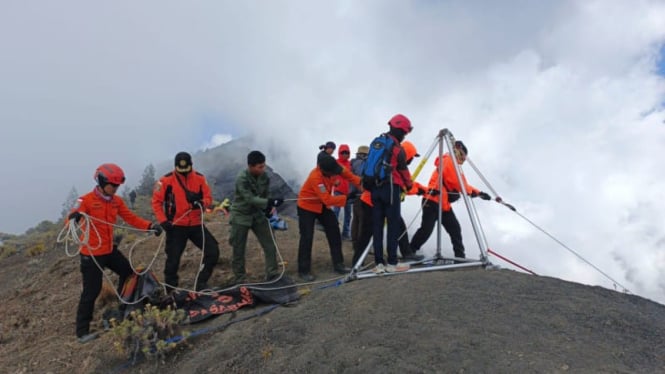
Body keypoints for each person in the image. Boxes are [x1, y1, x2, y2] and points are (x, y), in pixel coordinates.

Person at [67, 163, 162, 343]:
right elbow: (70, 220)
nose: (116, 188)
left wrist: (149, 226)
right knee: (91, 290)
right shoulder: (85, 200)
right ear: (102, 182)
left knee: (128, 273)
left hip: (110, 250)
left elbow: (130, 218)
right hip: (91, 254)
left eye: (118, 186)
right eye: (113, 185)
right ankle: (82, 332)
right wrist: (75, 218)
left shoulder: (117, 201)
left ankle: (123, 307)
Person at [409, 140, 492, 259]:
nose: (463, 160)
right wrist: (471, 192)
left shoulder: (452, 164)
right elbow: (457, 183)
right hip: (432, 201)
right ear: (459, 152)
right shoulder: (448, 161)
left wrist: (479, 193)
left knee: (455, 229)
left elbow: (461, 183)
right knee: (426, 230)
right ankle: (410, 250)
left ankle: (460, 256)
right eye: (463, 156)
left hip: (443, 204)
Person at [151, 152, 220, 292]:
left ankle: (201, 284)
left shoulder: (200, 178)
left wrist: (201, 203)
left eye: (186, 169)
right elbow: (156, 202)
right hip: (176, 226)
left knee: (213, 251)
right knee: (173, 260)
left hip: (196, 224)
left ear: (191, 165)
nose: (183, 172)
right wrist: (163, 221)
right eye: (180, 170)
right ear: (175, 167)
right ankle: (171, 290)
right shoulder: (165, 180)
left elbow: (208, 198)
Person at [351, 141, 425, 266]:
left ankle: (407, 253)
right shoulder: (395, 167)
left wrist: (421, 189)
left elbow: (405, 184)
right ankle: (357, 262)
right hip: (371, 203)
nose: (412, 160)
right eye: (412, 157)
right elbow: (403, 186)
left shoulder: (389, 162)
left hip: (375, 200)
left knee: (399, 226)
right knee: (367, 233)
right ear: (407, 156)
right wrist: (420, 190)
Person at [297, 153, 362, 281]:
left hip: (321, 207)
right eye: (332, 173)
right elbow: (327, 199)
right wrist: (347, 198)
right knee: (307, 237)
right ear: (323, 170)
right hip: (307, 207)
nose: (335, 174)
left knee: (334, 231)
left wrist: (360, 183)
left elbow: (348, 175)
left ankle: (339, 264)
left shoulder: (333, 166)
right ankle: (303, 270)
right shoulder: (315, 178)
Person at [229, 151, 284, 283]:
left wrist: (270, 206)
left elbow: (265, 194)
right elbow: (249, 198)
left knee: (270, 244)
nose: (263, 169)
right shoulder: (241, 178)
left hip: (258, 215)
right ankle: (240, 279)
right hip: (241, 215)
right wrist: (268, 202)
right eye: (260, 167)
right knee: (238, 248)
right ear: (251, 166)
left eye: (263, 166)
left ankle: (272, 274)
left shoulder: (264, 177)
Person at [370, 114, 414, 274]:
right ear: (401, 131)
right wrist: (409, 185)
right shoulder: (397, 148)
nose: (404, 135)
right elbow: (403, 170)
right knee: (393, 225)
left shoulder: (376, 142)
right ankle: (392, 263)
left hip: (375, 188)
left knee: (377, 226)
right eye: (405, 132)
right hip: (390, 188)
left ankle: (379, 264)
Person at [331, 144, 353, 240]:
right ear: (339, 153)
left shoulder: (350, 164)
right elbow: (330, 175)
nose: (345, 154)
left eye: (346, 152)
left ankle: (345, 233)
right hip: (338, 191)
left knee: (348, 214)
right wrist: (334, 183)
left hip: (348, 193)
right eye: (343, 152)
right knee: (336, 211)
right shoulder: (335, 163)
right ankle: (334, 231)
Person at [349, 145, 369, 244]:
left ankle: (354, 240)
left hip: (354, 194)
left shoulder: (354, 163)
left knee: (355, 218)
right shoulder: (362, 164)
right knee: (363, 219)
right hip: (362, 194)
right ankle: (360, 242)